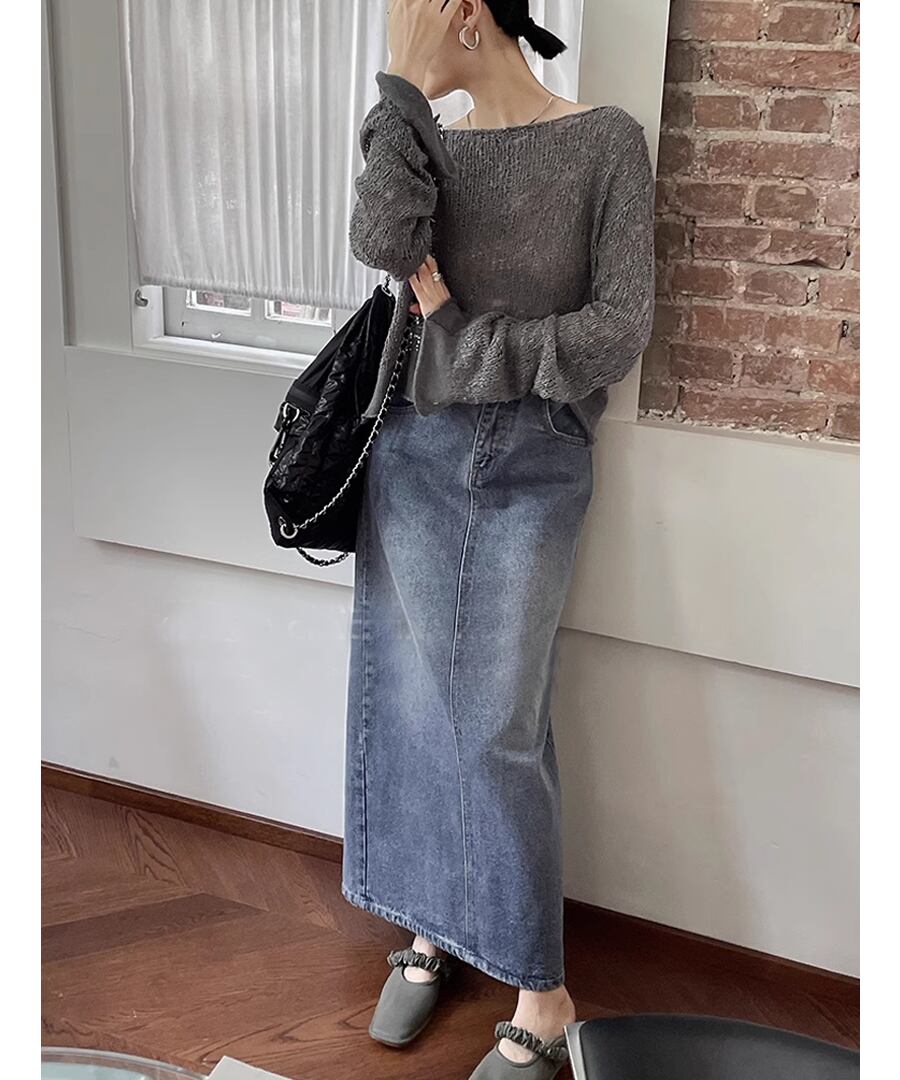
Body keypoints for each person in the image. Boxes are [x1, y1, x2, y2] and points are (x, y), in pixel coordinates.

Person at [342, 1, 656, 1076]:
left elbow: (616, 329)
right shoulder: (424, 138)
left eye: (411, 21)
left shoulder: (604, 142)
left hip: (533, 459)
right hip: (415, 450)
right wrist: (399, 92)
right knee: (413, 702)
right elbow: (382, 244)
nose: (400, 39)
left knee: (495, 725)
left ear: (465, 14)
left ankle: (543, 993)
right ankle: (433, 926)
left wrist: (462, 336)